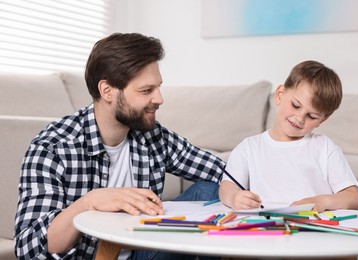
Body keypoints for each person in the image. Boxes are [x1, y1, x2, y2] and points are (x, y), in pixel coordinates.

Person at [14, 33, 225, 259]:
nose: (160, 99)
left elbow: (222, 171)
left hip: (142, 251)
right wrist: (90, 202)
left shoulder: (152, 136)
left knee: (213, 190)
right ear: (107, 91)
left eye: (158, 87)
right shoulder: (54, 147)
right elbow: (29, 248)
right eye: (146, 90)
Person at [219, 60, 358, 213]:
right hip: (267, 226)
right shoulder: (249, 147)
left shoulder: (325, 148)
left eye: (312, 116)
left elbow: (352, 198)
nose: (299, 118)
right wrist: (234, 197)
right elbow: (227, 187)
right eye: (296, 105)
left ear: (322, 120)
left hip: (312, 227)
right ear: (280, 95)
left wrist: (323, 200)